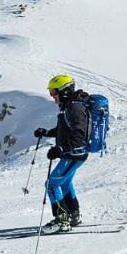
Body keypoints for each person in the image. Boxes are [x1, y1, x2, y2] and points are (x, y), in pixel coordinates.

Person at [34, 73, 91, 230]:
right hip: (73, 154)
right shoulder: (69, 106)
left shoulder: (74, 108)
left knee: (51, 184)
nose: (52, 96)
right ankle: (73, 215)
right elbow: (64, 130)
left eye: (54, 92)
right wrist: (46, 133)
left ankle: (62, 221)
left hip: (73, 154)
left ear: (64, 91)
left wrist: (61, 149)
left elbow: (78, 133)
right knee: (64, 183)